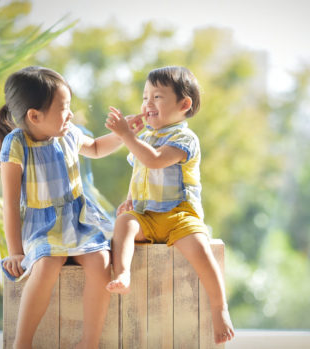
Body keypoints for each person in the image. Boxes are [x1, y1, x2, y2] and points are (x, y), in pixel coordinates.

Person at [0, 66, 143, 349]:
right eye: (63, 107)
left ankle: (89, 342)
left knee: (101, 263)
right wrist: (16, 252)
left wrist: (123, 134)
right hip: (42, 224)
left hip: (78, 217)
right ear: (34, 116)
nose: (70, 114)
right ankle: (22, 343)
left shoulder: (69, 133)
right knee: (46, 266)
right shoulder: (17, 144)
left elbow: (94, 148)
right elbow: (10, 204)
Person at [104, 66, 235, 344]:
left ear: (183, 105)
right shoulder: (145, 138)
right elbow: (139, 169)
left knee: (201, 253)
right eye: (145, 97)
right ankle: (124, 274)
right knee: (123, 224)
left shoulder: (184, 138)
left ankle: (219, 308)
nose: (147, 104)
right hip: (147, 215)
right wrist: (130, 199)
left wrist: (127, 136)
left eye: (157, 97)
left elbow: (154, 160)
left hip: (179, 215)